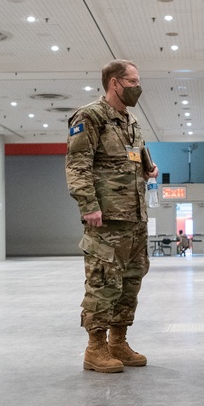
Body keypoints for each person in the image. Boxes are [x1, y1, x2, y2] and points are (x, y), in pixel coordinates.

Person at [66, 59, 158, 373]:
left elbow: (135, 157)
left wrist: (148, 168)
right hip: (106, 220)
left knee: (131, 282)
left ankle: (119, 340)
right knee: (103, 283)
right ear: (114, 83)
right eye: (132, 81)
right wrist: (88, 205)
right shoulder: (90, 116)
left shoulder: (131, 121)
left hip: (134, 218)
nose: (138, 87)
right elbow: (78, 166)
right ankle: (95, 347)